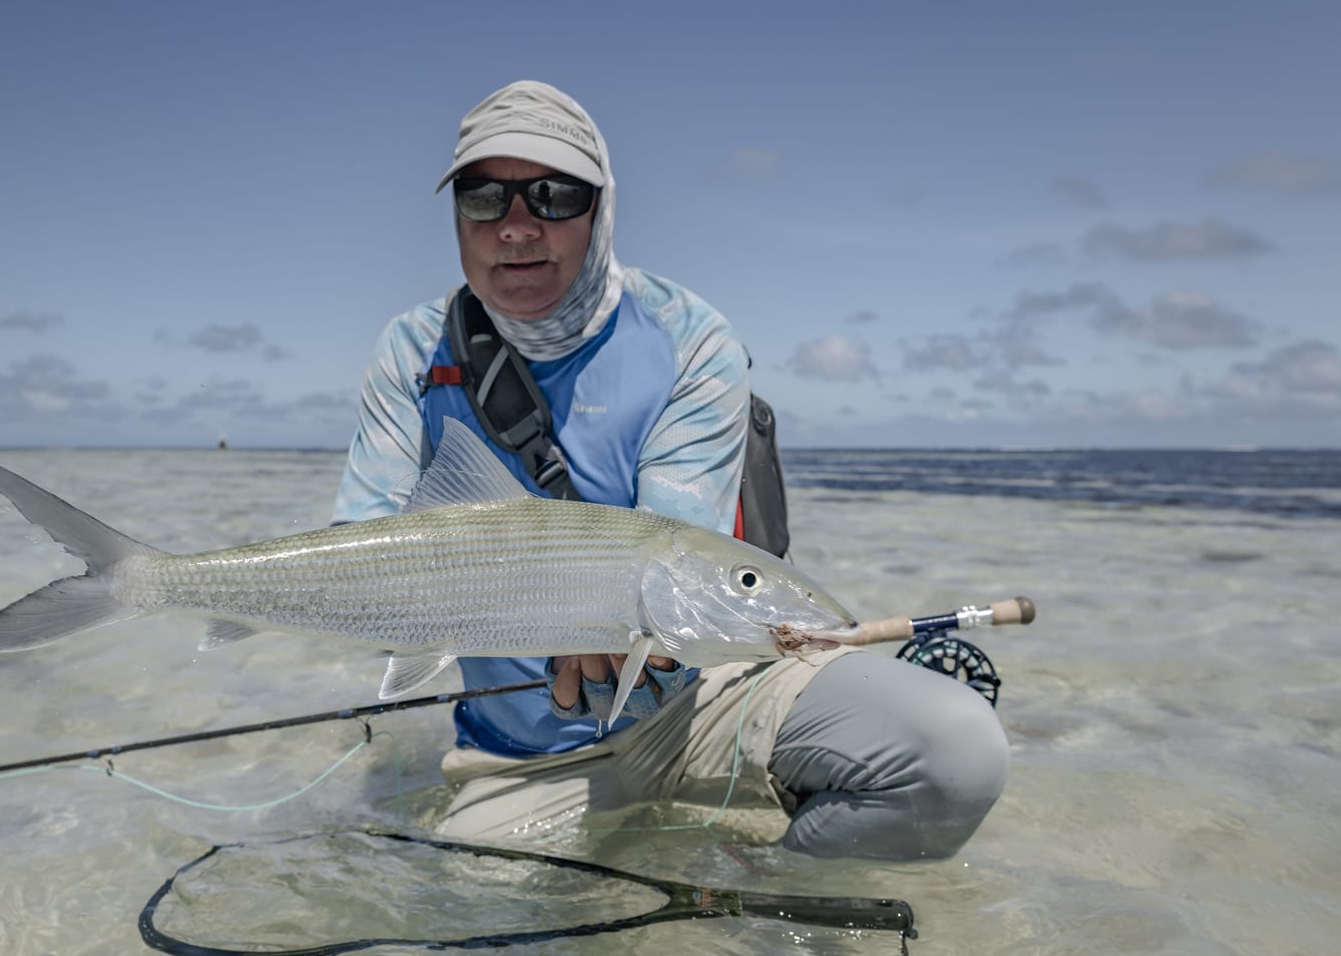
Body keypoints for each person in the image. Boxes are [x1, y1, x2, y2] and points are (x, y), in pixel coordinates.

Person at [331, 80, 1008, 860]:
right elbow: (366, 548)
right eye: (484, 198)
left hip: (708, 702)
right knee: (473, 930)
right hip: (523, 754)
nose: (517, 228)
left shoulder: (688, 338)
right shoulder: (412, 351)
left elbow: (680, 559)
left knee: (954, 751)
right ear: (457, 214)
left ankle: (764, 918)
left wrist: (631, 639)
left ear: (602, 208)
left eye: (554, 195)